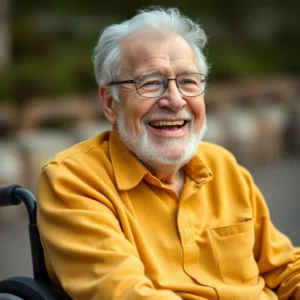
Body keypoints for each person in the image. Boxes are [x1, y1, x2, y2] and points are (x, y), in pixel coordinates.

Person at [36, 7, 300, 300]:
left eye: (188, 81)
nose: (175, 100)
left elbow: (285, 268)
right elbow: (124, 294)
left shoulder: (223, 167)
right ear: (110, 103)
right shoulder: (74, 181)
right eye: (150, 82)